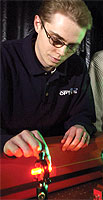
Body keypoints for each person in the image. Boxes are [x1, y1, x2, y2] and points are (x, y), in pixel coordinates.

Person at [1, 0, 96, 163]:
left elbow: (84, 113)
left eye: (72, 46)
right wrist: (3, 141)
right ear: (38, 24)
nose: (62, 53)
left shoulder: (77, 66)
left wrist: (80, 126)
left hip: (59, 162)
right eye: (56, 40)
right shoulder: (4, 58)